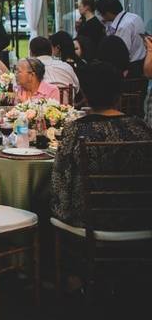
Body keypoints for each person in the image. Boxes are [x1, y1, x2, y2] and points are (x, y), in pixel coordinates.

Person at [51, 61, 152, 230]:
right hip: (142, 219)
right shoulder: (141, 128)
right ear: (120, 94)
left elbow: (61, 183)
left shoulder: (76, 131)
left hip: (89, 221)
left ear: (85, 95)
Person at [97, 0, 145, 77]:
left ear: (107, 13)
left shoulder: (123, 27)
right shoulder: (134, 17)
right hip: (142, 63)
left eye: (101, 14)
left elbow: (120, 53)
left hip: (131, 69)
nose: (101, 17)